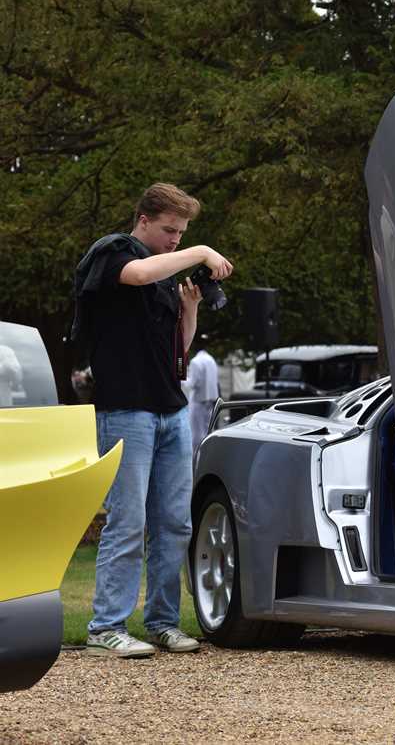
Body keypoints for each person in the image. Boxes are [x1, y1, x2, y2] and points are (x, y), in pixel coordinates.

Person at [72, 183, 233, 659]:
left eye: (183, 235)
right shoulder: (113, 252)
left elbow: (176, 354)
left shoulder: (165, 276)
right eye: (169, 231)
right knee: (128, 520)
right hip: (126, 410)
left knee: (173, 523)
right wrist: (201, 251)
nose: (175, 242)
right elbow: (139, 274)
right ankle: (106, 626)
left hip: (171, 409)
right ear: (143, 220)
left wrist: (190, 310)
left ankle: (162, 622)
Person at [185, 345, 220, 452]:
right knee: (207, 430)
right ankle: (207, 454)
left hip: (198, 401)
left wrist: (181, 379)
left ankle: (196, 456)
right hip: (210, 400)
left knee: (196, 432)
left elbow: (193, 384)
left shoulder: (195, 362)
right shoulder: (211, 360)